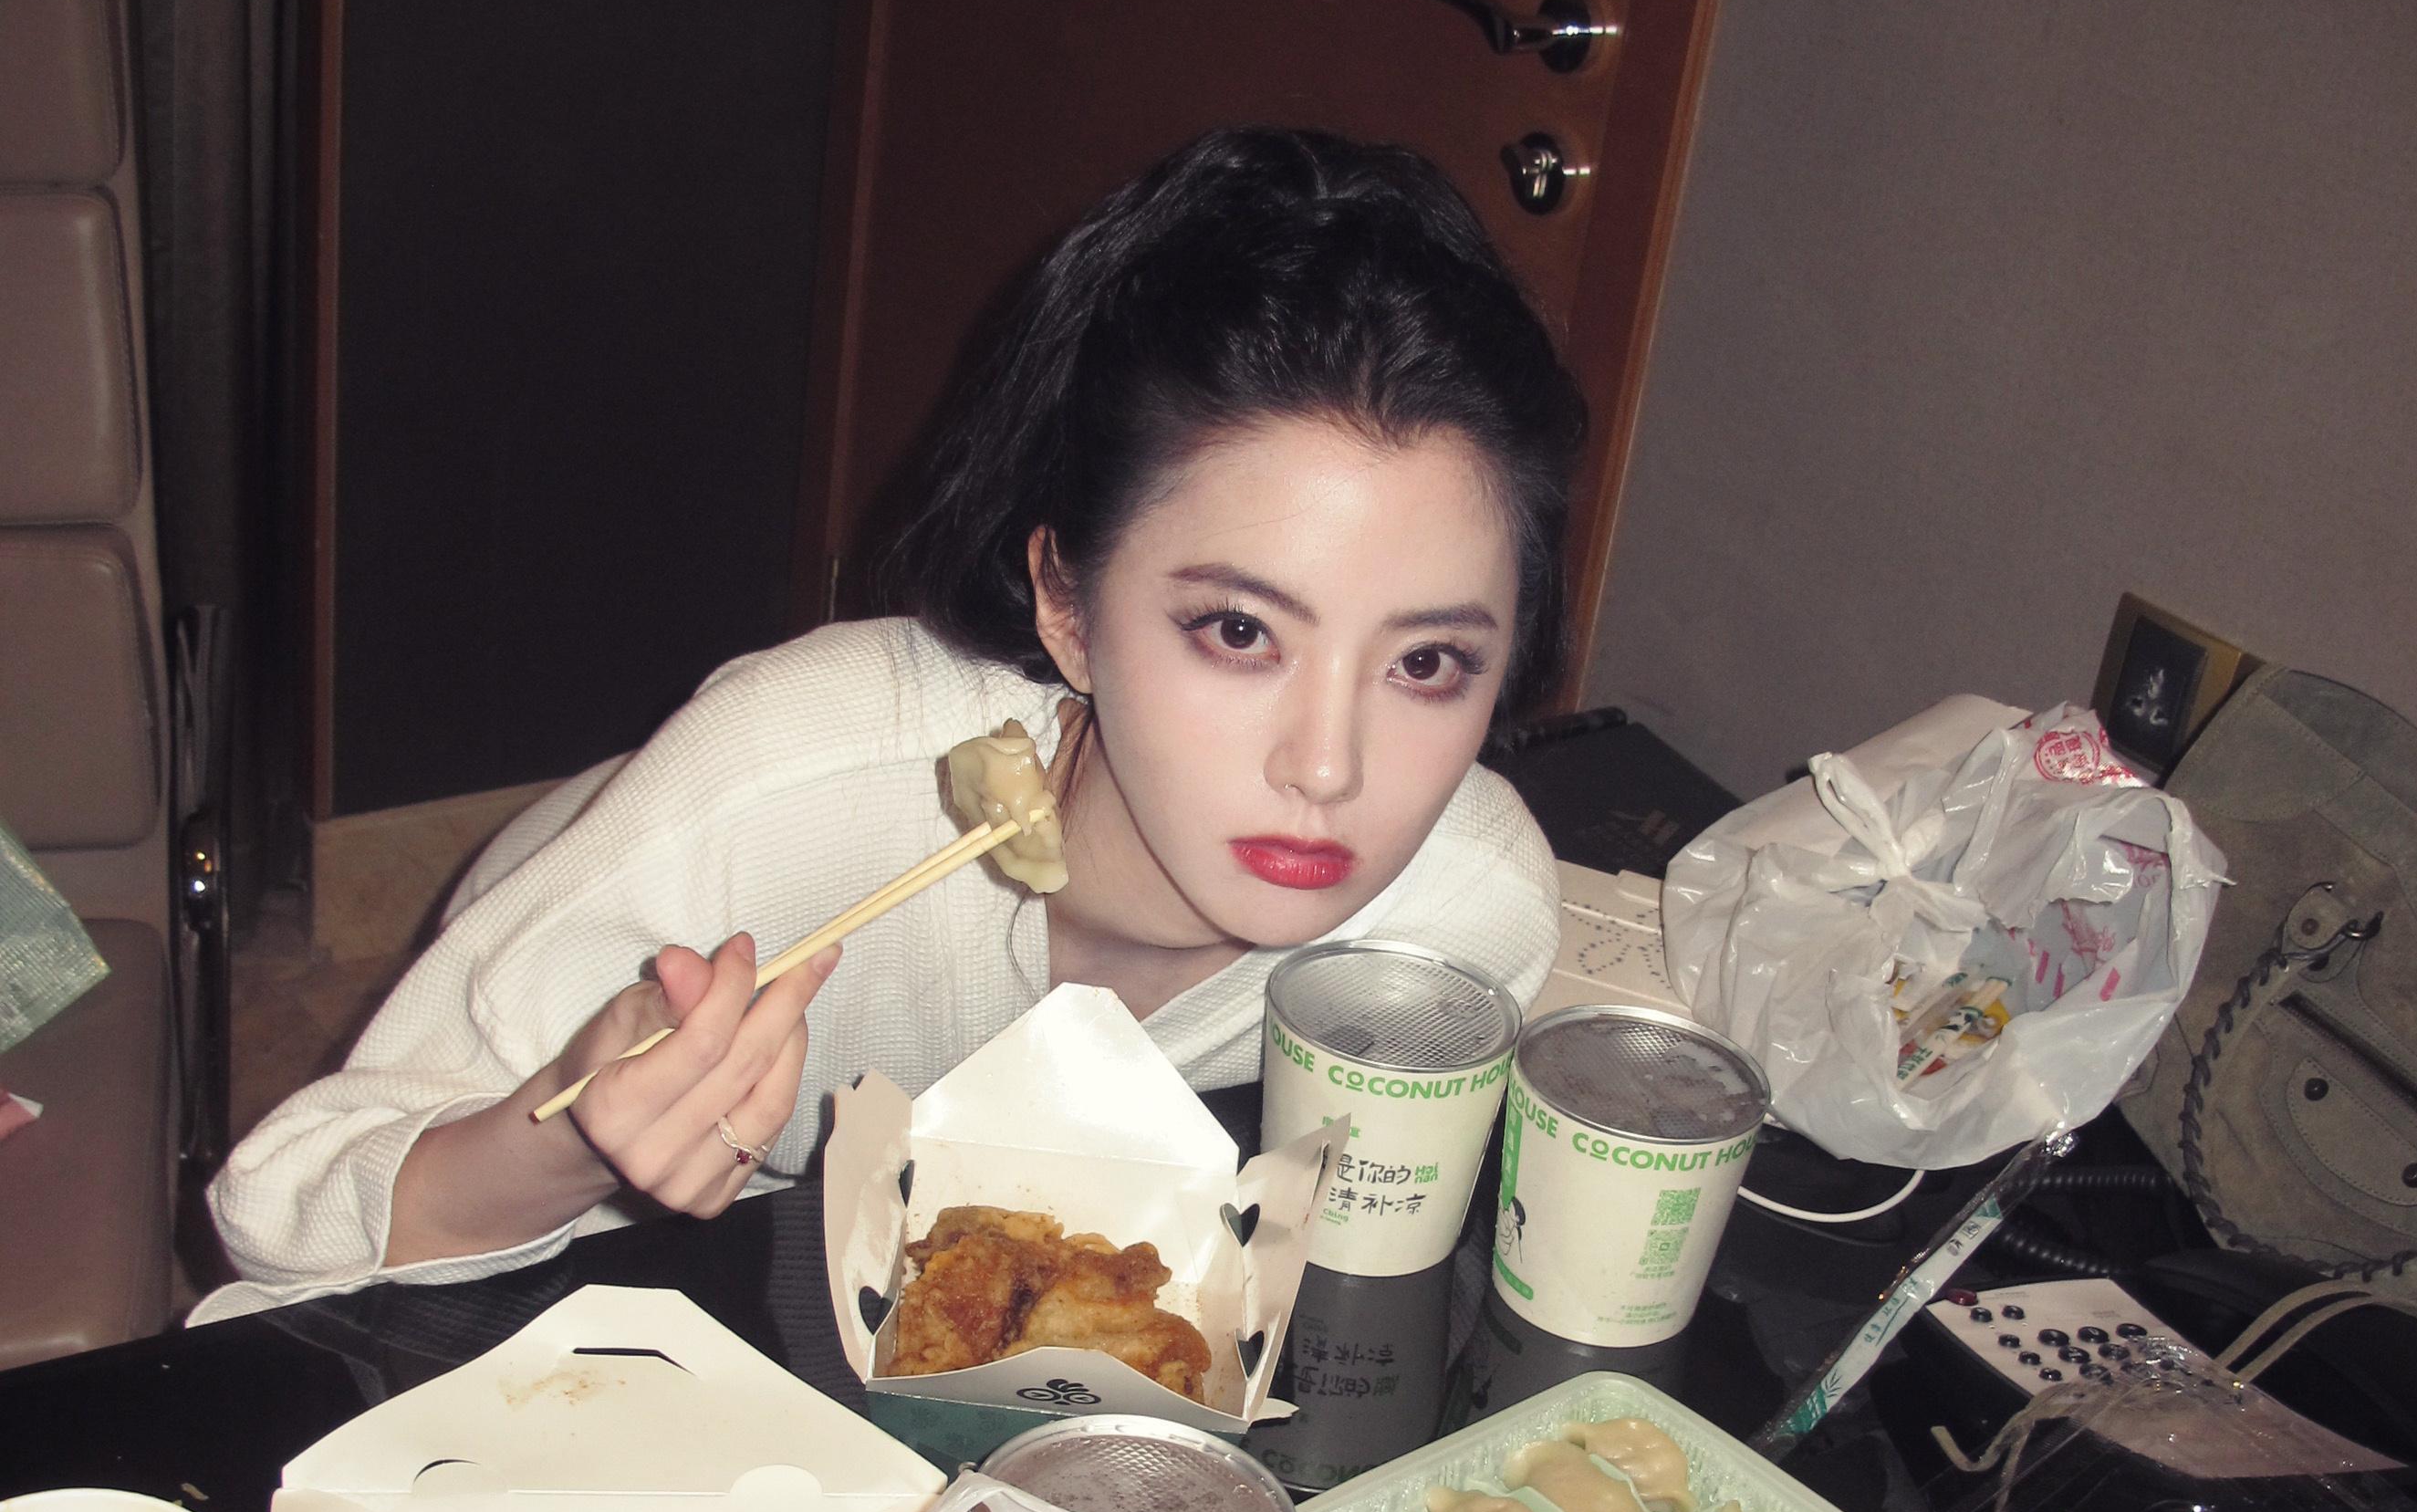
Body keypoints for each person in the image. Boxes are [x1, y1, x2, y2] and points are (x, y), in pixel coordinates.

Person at [204, 129, 1582, 1305]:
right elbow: (279, 1219)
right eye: (1238, 632)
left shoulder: (1464, 927)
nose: (1328, 769)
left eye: (1427, 664)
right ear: (1066, 605)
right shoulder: (790, 781)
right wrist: (575, 1137)